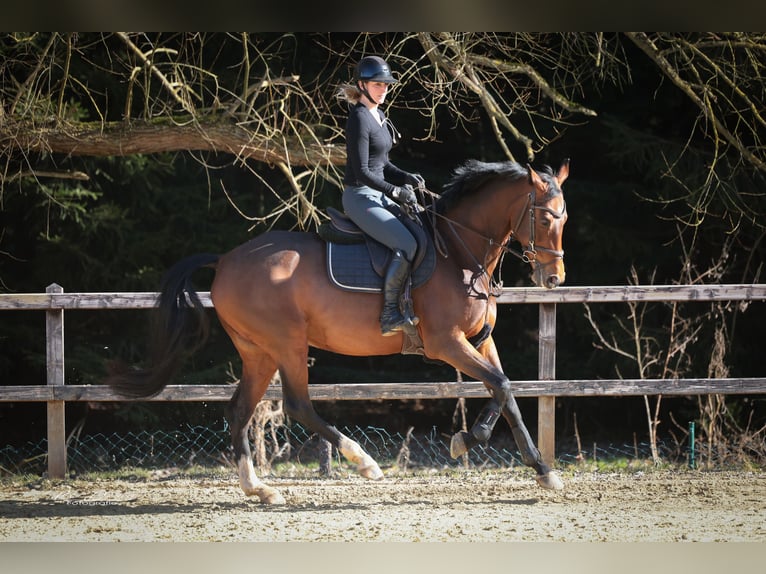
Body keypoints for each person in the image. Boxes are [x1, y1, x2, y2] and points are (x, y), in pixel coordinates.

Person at [337, 55, 425, 336]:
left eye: (386, 84)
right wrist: (396, 191)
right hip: (360, 197)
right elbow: (362, 172)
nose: (384, 89)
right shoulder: (359, 119)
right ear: (362, 85)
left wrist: (406, 177)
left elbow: (382, 164)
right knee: (407, 245)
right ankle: (389, 315)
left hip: (378, 193)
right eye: (378, 84)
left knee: (423, 231)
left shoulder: (379, 115)